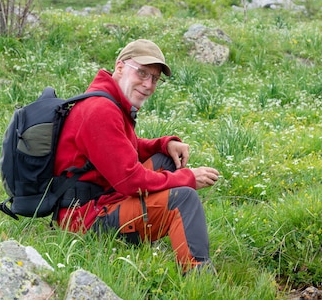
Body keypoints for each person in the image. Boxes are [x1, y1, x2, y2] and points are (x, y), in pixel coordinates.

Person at [54, 39, 220, 273]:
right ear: (119, 67)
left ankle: (153, 232)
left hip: (98, 199)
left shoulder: (108, 100)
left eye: (154, 78)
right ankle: (200, 279)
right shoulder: (101, 109)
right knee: (184, 199)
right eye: (142, 73)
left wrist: (163, 144)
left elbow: (121, 148)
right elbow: (131, 180)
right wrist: (188, 177)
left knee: (164, 159)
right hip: (84, 220)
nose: (148, 84)